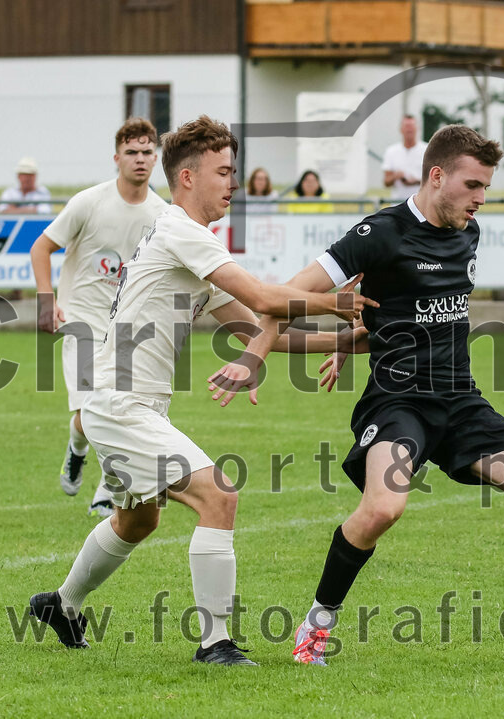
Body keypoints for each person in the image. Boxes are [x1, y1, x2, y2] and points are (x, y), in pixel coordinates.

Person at [208, 125, 504, 667]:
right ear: (437, 176)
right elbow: (285, 297)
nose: (480, 199)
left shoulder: (469, 231)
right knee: (383, 509)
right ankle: (315, 626)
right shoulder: (379, 232)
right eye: (472, 185)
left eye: (486, 187)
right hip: (398, 401)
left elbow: (402, 305)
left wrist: (352, 335)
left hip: (460, 399)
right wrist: (256, 356)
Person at [27, 115, 377, 665]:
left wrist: (349, 339)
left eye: (234, 171)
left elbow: (252, 328)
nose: (233, 182)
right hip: (120, 403)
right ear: (187, 177)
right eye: (223, 171)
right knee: (219, 494)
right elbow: (265, 299)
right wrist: (337, 300)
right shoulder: (180, 231)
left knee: (137, 520)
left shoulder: (187, 242)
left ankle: (62, 605)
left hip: (121, 404)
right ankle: (215, 643)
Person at [30, 118, 167, 517]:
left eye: (146, 152)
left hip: (128, 330)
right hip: (81, 321)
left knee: (122, 410)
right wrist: (45, 298)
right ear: (116, 157)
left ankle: (106, 491)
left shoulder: (162, 215)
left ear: (156, 158)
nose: (140, 160)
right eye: (132, 152)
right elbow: (42, 248)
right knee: (92, 408)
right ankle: (77, 452)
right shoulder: (88, 202)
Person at [381, 115, 427, 201]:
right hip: (397, 204)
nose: (409, 129)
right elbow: (386, 182)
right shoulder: (391, 151)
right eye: (406, 126)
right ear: (401, 129)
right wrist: (396, 176)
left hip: (421, 204)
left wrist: (416, 181)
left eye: (412, 126)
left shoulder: (427, 149)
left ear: (417, 128)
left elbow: (435, 179)